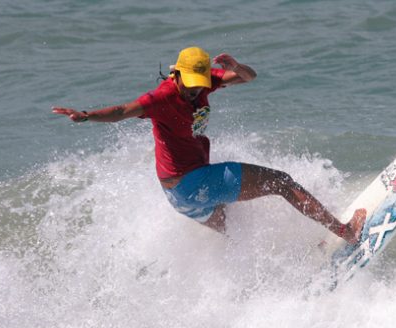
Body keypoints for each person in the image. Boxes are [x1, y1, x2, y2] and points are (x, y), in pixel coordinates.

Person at [53, 46, 366, 243]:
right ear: (176, 75)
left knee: (234, 233)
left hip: (178, 197)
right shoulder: (160, 98)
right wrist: (86, 116)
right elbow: (122, 111)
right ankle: (345, 232)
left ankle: (276, 273)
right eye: (189, 87)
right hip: (191, 183)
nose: (194, 93)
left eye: (199, 87)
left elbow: (248, 78)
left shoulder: (204, 82)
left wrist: (238, 65)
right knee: (281, 182)